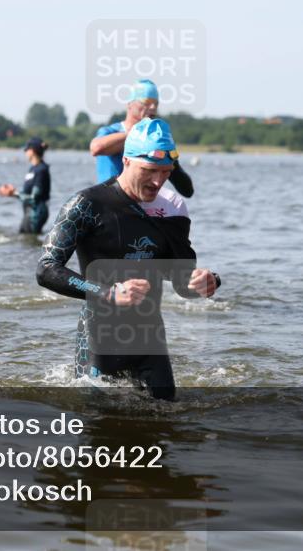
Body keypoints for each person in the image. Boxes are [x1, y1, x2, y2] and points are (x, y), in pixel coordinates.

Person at [37, 118, 220, 401]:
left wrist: (207, 282)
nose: (158, 181)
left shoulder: (173, 207)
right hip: (99, 339)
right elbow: (47, 269)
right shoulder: (87, 205)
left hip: (150, 339)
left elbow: (182, 280)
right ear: (126, 161)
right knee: (99, 426)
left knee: (165, 420)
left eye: (165, 172)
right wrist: (107, 292)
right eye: (149, 170)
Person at [89, 79, 194, 198]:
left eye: (156, 103)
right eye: (147, 102)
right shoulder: (110, 131)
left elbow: (187, 191)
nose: (153, 107)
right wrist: (135, 134)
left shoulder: (157, 140)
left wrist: (169, 161)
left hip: (140, 206)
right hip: (109, 202)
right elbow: (96, 148)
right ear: (130, 104)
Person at [0, 137, 51, 234]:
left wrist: (14, 193)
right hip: (29, 211)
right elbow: (27, 193)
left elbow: (34, 198)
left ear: (32, 151)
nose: (25, 152)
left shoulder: (41, 170)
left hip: (36, 213)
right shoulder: (32, 169)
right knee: (25, 239)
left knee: (29, 239)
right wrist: (12, 192)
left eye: (26, 149)